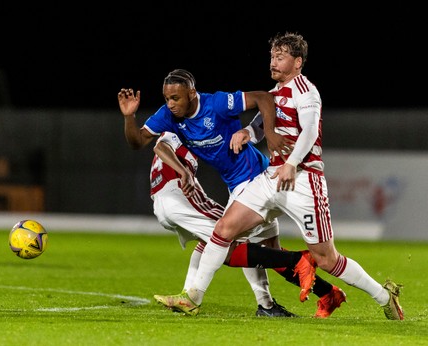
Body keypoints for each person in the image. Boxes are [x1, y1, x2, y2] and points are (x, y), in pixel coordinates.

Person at [162, 32, 404, 320]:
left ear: (297, 61)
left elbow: (311, 132)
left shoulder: (307, 92)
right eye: (272, 57)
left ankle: (383, 296)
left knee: (327, 258)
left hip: (303, 180)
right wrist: (246, 133)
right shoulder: (275, 93)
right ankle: (193, 297)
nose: (273, 62)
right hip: (271, 178)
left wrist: (291, 163)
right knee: (223, 230)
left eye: (280, 57)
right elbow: (260, 124)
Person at [117, 69, 322, 316]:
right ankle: (291, 291)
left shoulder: (216, 103)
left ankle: (300, 279)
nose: (170, 104)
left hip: (257, 177)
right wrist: (130, 117)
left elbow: (263, 98)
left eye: (176, 98)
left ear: (192, 93)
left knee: (228, 240)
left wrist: (267, 133)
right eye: (166, 98)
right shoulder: (170, 118)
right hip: (237, 185)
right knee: (236, 242)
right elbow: (141, 142)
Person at [150, 131, 346, 318]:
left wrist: (254, 129)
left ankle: (294, 267)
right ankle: (321, 293)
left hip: (254, 189)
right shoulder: (197, 128)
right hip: (257, 184)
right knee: (261, 249)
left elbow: (259, 100)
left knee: (225, 243)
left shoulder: (212, 119)